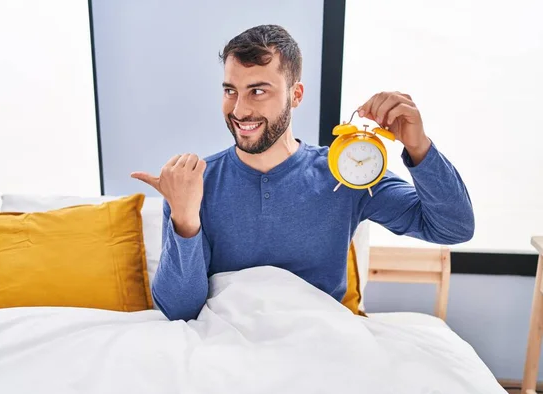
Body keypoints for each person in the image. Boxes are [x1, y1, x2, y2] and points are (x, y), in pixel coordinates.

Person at [131, 24, 474, 321]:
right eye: (230, 91)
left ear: (295, 95)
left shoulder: (346, 174)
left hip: (319, 345)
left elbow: (453, 227)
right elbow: (179, 310)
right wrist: (185, 218)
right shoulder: (193, 185)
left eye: (258, 91)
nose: (239, 109)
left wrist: (419, 147)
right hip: (225, 347)